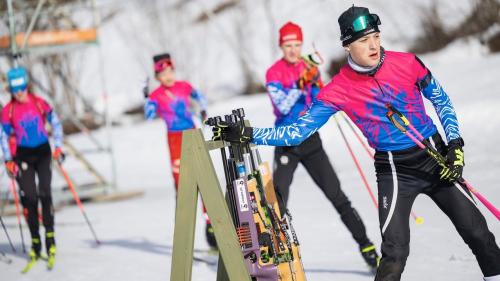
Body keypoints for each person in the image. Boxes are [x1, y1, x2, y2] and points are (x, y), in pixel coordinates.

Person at [213, 6, 500, 281]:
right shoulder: (338, 89)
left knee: (478, 234)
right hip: (394, 169)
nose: (374, 45)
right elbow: (296, 133)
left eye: (376, 36)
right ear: (347, 46)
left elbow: (441, 100)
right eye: (364, 40)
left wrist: (455, 146)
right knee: (394, 254)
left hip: (435, 157)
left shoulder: (407, 62)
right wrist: (248, 134)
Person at [264, 21, 379, 269]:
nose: (293, 50)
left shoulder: (309, 66)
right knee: (277, 200)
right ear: (281, 46)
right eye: (288, 45)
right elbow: (282, 106)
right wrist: (300, 84)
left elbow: (321, 96)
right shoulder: (274, 73)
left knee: (336, 195)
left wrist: (317, 85)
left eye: (297, 44)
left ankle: (367, 246)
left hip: (311, 141)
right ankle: (273, 253)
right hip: (286, 142)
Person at [143, 53, 216, 248]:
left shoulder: (183, 86)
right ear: (157, 77)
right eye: (163, 73)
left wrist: (203, 110)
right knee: (182, 185)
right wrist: (147, 99)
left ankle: (211, 226)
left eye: (170, 71)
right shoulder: (157, 94)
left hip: (192, 134)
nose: (168, 75)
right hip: (175, 139)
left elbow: (200, 98)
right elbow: (149, 115)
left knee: (204, 178)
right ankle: (184, 231)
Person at [1, 66, 64, 269]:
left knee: (45, 193)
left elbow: (55, 122)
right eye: (15, 89)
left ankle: (50, 241)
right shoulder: (8, 110)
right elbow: (3, 135)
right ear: (11, 89)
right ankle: (35, 243)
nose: (19, 93)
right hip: (23, 156)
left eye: (22, 88)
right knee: (29, 197)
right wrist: (8, 159)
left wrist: (58, 147)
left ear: (27, 85)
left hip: (43, 152)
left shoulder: (39, 102)